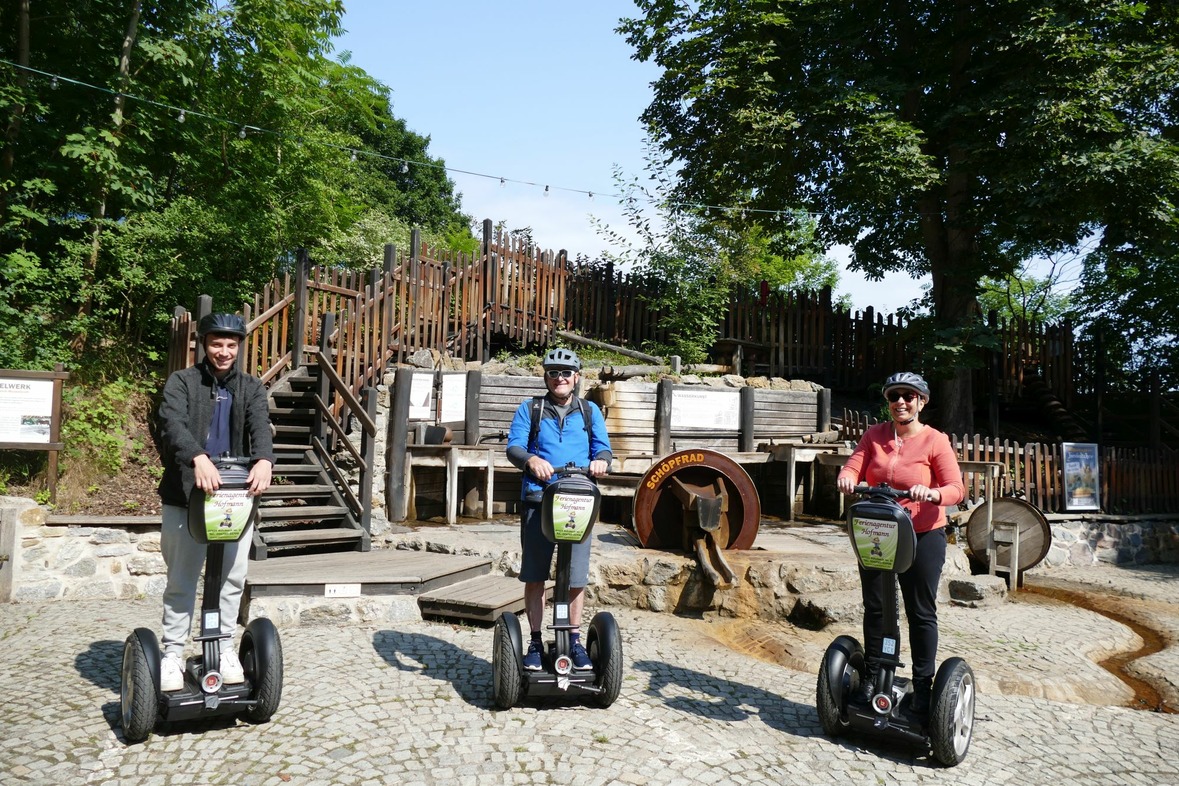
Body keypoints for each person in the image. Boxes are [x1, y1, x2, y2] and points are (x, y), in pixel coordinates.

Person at [154, 313, 275, 691]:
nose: (224, 352)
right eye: (216, 344)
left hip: (234, 499)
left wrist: (266, 460)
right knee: (182, 580)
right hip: (186, 496)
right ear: (204, 345)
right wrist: (198, 456)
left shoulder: (250, 387)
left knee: (231, 578)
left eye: (231, 345)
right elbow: (171, 424)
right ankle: (172, 654)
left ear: (239, 347)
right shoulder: (182, 382)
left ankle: (222, 647)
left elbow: (260, 424)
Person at [836, 371, 964, 714]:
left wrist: (933, 492)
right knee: (875, 606)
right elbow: (853, 466)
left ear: (921, 401)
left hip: (923, 533)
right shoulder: (874, 435)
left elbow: (956, 488)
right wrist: (847, 479)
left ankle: (923, 686)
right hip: (879, 531)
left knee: (920, 612)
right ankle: (873, 673)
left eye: (909, 396)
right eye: (894, 397)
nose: (901, 403)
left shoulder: (935, 440)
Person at [506, 348, 612, 671]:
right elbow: (514, 447)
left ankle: (574, 640)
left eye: (566, 373)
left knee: (576, 576)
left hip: (578, 501)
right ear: (546, 377)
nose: (560, 378)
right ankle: (536, 642)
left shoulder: (590, 411)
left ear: (577, 377)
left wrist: (601, 462)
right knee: (536, 575)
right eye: (554, 373)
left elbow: (604, 449)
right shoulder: (531, 409)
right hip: (540, 500)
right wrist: (531, 460)